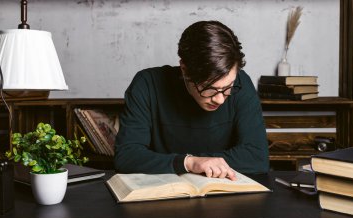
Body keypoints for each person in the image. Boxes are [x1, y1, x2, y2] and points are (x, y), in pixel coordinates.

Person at [115, 20, 269, 179]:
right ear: (184, 70)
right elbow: (126, 156)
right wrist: (188, 163)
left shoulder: (242, 84)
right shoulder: (146, 84)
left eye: (228, 87)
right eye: (209, 88)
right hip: (164, 193)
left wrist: (197, 163)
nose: (220, 99)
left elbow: (257, 158)